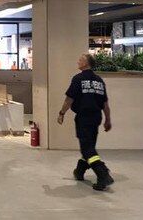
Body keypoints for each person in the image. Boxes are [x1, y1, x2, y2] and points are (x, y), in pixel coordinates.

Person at [57, 54, 114, 191]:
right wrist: (108, 119)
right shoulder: (99, 81)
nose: (78, 61)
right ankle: (79, 171)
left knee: (87, 148)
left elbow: (69, 100)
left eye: (81, 59)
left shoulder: (78, 79)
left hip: (84, 117)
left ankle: (103, 173)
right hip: (96, 117)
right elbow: (105, 103)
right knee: (89, 146)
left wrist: (61, 113)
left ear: (86, 64)